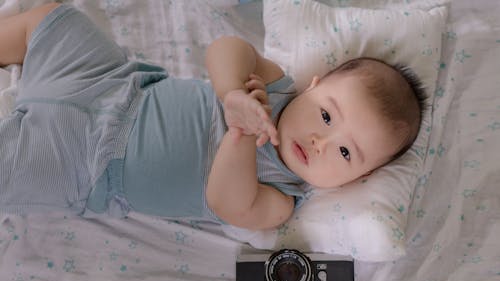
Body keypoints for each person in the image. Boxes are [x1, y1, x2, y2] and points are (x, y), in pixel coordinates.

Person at [0, 3, 427, 230]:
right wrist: (231, 93)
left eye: (347, 153)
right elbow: (226, 47)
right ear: (314, 86)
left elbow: (228, 202)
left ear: (356, 181)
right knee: (52, 19)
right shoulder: (277, 86)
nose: (322, 142)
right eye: (328, 117)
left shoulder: (281, 197)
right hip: (114, 82)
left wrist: (242, 132)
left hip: (85, 163)